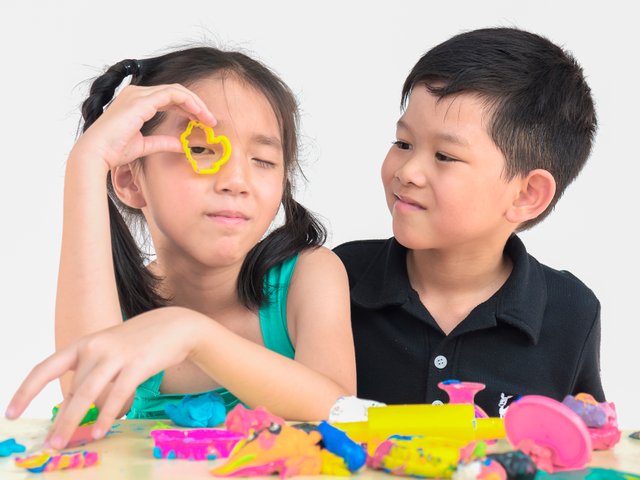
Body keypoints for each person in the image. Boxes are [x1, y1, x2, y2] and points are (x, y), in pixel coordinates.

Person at [6, 46, 356, 449]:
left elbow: (343, 412)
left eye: (262, 160)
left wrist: (194, 334)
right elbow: (89, 398)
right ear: (130, 181)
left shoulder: (308, 276)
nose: (237, 180)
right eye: (202, 149)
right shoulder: (112, 302)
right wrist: (87, 162)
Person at [334, 27, 604, 417]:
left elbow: (587, 435)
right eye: (403, 143)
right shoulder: (336, 277)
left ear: (526, 195)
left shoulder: (570, 310)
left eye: (444, 156)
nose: (408, 171)